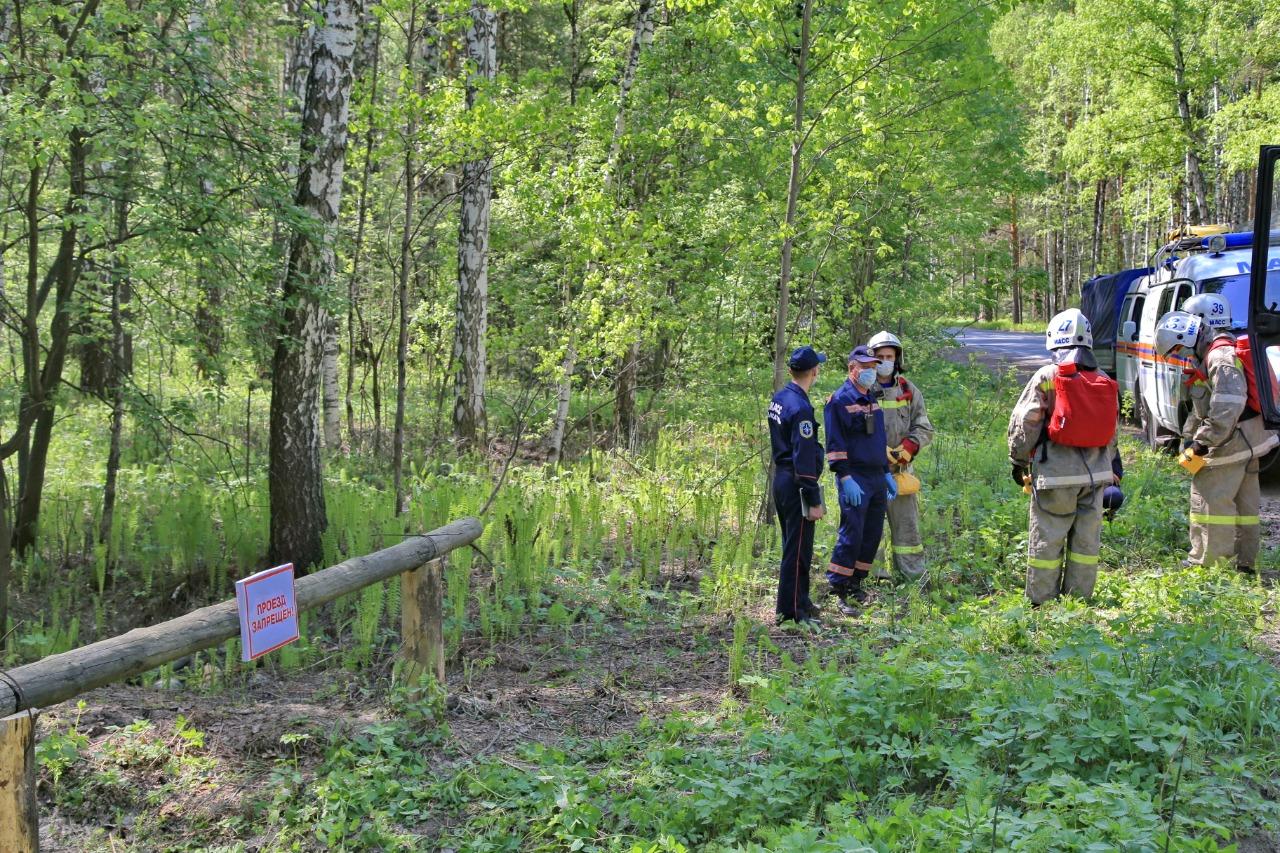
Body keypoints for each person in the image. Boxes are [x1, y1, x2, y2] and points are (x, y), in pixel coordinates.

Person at [1155, 300, 1279, 574]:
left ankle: (1207, 564)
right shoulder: (1208, 355)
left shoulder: (1219, 357)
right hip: (1248, 441)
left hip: (1232, 441)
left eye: (1177, 348)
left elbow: (1228, 406)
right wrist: (1189, 437)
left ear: (1185, 336)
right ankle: (1244, 563)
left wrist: (1202, 443)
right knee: (1245, 505)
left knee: (1209, 498)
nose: (1178, 354)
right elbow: (1202, 405)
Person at [1008, 309, 1121, 605]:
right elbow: (1111, 430)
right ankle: (1078, 601)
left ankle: (1042, 602)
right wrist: (1112, 468)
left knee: (1048, 539)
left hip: (1055, 476)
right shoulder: (1103, 378)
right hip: (1096, 477)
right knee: (1086, 543)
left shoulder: (1047, 376)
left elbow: (1026, 422)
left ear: (1054, 343)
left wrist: (1018, 460)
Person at [824, 345, 897, 616]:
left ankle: (856, 583)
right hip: (855, 477)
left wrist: (886, 472)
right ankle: (839, 587)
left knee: (872, 535)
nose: (870, 371)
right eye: (864, 367)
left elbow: (878, 440)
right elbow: (835, 443)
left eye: (873, 367)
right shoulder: (840, 400)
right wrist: (844, 477)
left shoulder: (872, 397)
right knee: (852, 533)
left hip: (876, 476)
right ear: (851, 368)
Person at [867, 330, 934, 581]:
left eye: (890, 356)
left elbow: (924, 426)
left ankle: (914, 578)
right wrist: (874, 450)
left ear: (897, 359)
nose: (885, 361)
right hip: (870, 473)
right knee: (871, 530)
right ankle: (874, 578)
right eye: (880, 356)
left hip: (901, 474)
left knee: (907, 530)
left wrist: (909, 447)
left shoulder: (909, 390)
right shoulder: (862, 389)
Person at [768, 346, 827, 626]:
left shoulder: (781, 398)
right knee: (798, 550)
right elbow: (803, 457)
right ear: (814, 371)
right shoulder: (801, 409)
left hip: (782, 479)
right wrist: (813, 498)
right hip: (796, 484)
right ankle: (791, 612)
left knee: (795, 545)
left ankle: (800, 600)